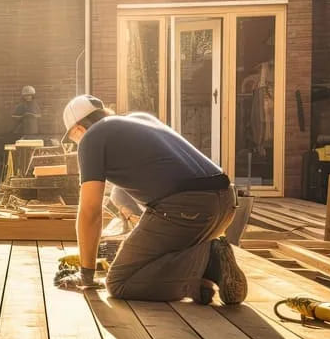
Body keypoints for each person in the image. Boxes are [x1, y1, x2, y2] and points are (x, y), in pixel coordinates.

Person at [58, 94, 247, 304]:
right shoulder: (139, 119)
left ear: (77, 130)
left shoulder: (91, 138)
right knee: (151, 260)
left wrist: (86, 274)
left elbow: (90, 211)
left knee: (120, 281)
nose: (76, 145)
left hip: (188, 209)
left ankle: (210, 261)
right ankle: (204, 277)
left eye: (73, 140)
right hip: (225, 202)